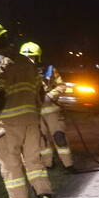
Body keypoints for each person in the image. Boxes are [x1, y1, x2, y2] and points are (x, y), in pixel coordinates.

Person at [0, 20, 60, 198]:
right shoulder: (25, 62)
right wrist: (35, 115)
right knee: (34, 162)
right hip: (30, 122)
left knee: (11, 166)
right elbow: (39, 92)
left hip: (7, 125)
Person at [19, 42, 75, 172]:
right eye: (25, 57)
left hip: (52, 111)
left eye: (31, 57)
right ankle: (48, 164)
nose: (29, 60)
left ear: (38, 57)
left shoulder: (49, 70)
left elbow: (62, 86)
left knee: (59, 137)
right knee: (41, 140)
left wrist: (50, 95)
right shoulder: (19, 73)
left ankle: (68, 165)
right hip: (34, 113)